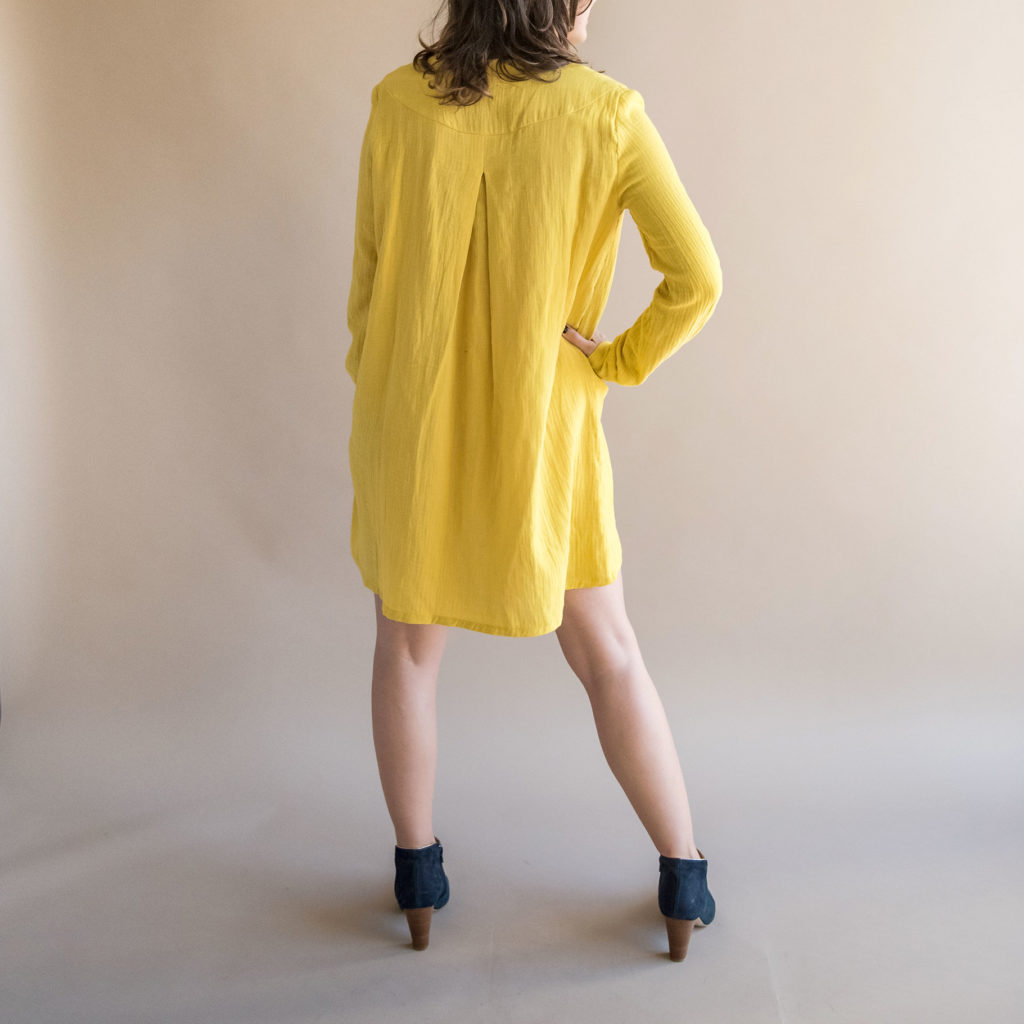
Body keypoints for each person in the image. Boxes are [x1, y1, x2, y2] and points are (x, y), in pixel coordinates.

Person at [346, 0, 722, 961]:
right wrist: (612, 364)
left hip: (409, 416)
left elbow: (370, 281)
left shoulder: (397, 102)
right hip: (542, 428)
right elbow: (697, 280)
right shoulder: (607, 113)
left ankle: (417, 876)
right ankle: (683, 878)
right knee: (609, 652)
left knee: (406, 648)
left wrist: (386, 378)